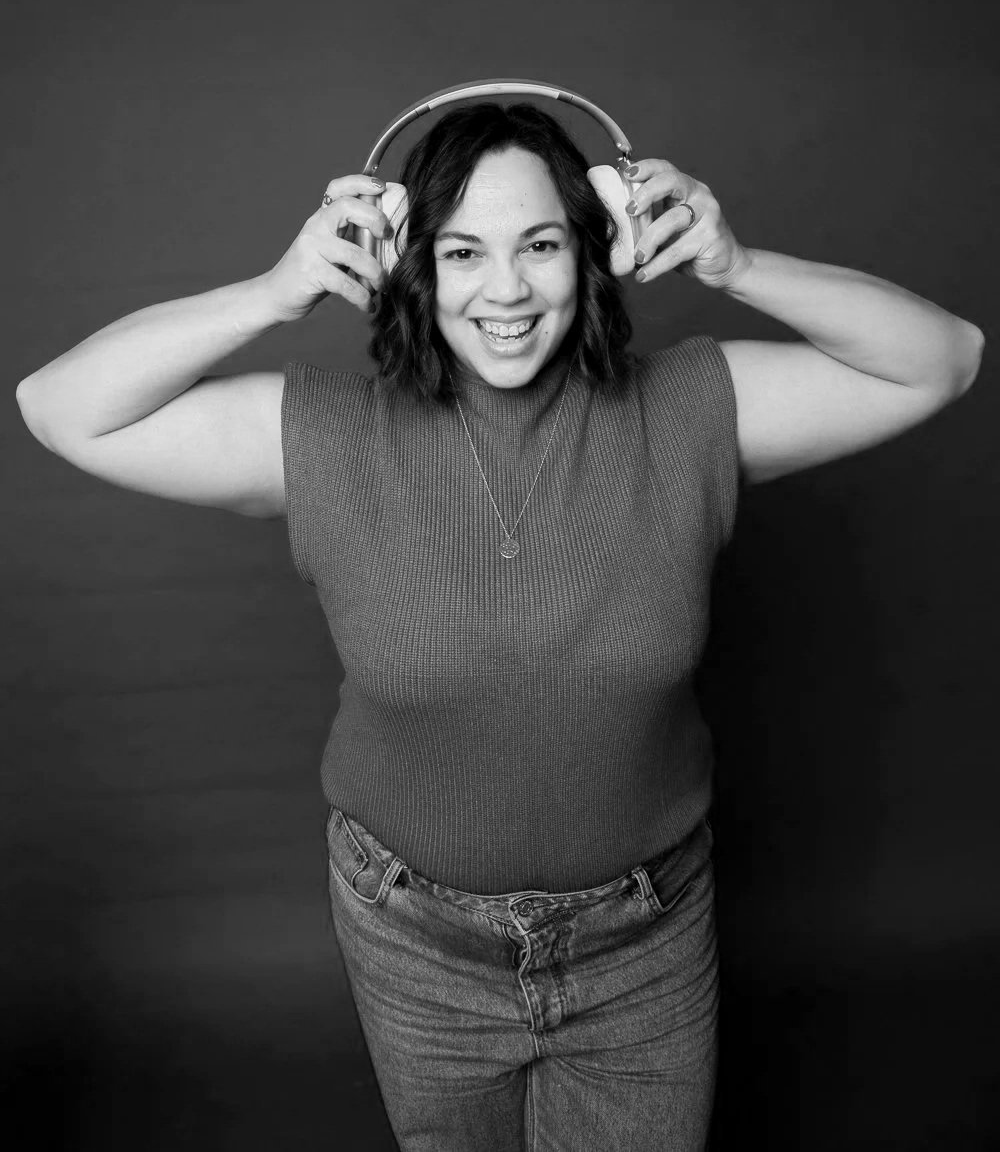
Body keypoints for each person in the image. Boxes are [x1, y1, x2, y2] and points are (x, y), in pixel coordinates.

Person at [16, 101, 983, 1151]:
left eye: (541, 245)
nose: (506, 290)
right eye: (462, 251)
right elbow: (58, 404)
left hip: (644, 942)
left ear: (597, 251)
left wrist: (734, 263)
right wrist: (275, 290)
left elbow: (946, 356)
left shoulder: (691, 409)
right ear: (407, 264)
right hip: (416, 944)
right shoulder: (328, 436)